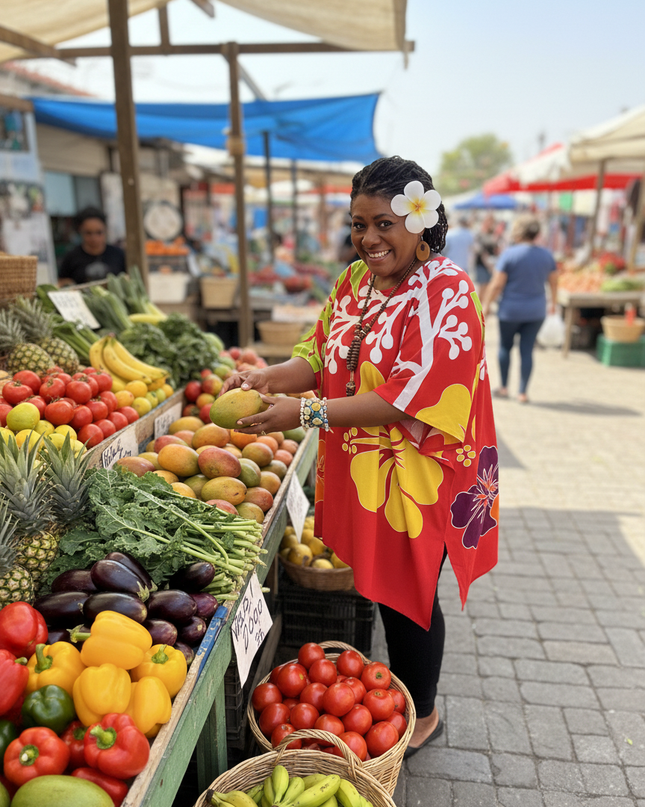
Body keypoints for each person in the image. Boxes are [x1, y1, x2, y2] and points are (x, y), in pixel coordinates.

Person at [223, 156, 499, 756]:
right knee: (381, 587)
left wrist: (306, 414)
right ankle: (399, 694)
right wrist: (269, 376)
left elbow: (410, 397)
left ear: (419, 222)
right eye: (357, 225)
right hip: (366, 467)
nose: (368, 239)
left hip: (422, 474)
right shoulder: (354, 283)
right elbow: (320, 356)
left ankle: (422, 714)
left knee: (411, 595)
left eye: (383, 224)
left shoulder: (447, 290)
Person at [482, 215, 558, 404]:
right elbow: (554, 281)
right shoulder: (546, 254)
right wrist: (553, 303)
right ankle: (523, 392)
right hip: (536, 311)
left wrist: (487, 305)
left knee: (505, 347)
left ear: (518, 232)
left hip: (510, 310)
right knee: (527, 350)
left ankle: (504, 387)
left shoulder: (510, 254)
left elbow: (497, 284)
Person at [58, 207, 126, 286]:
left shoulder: (119, 254)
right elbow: (62, 282)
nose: (94, 238)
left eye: (99, 232)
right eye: (88, 233)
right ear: (80, 231)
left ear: (106, 230)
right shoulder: (71, 257)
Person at [472, 213, 499, 301]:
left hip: (491, 263)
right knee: (482, 287)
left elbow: (496, 248)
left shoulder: (493, 234)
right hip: (482, 264)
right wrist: (487, 262)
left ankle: (484, 307)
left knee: (489, 287)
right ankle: (478, 309)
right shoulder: (479, 234)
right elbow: (479, 249)